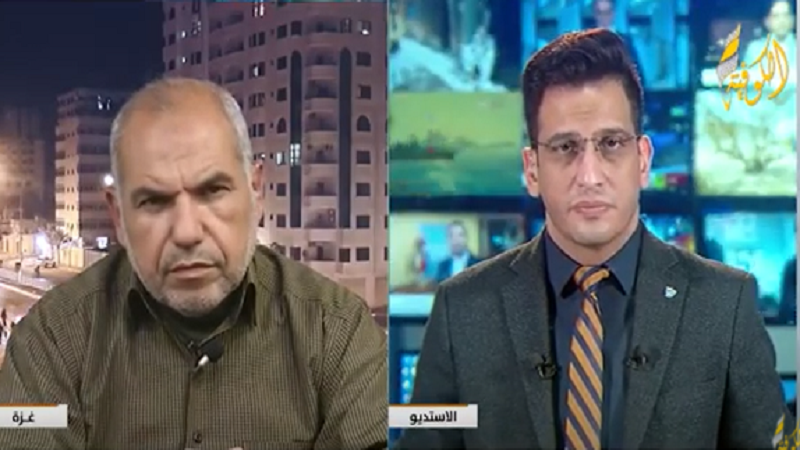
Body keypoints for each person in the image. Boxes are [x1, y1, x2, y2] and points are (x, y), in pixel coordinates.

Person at [396, 29, 789, 449]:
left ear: (643, 160)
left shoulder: (725, 303)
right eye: (565, 147)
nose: (589, 176)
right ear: (532, 169)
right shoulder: (461, 308)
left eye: (611, 143)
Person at [0, 78, 388, 449]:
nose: (187, 232)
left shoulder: (337, 332)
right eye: (154, 201)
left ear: (256, 191)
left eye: (213, 191)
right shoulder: (52, 341)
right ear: (117, 215)